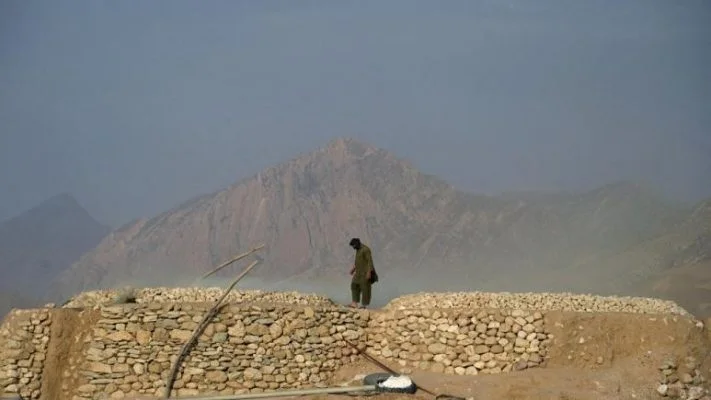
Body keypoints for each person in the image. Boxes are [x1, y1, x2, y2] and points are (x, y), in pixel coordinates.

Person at [348, 237, 377, 309]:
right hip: (358, 272)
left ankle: (364, 305)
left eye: (354, 245)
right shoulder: (358, 250)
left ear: (357, 244)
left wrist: (369, 272)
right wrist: (353, 269)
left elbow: (369, 261)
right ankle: (354, 303)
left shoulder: (366, 249)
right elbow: (357, 261)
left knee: (365, 288)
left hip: (365, 272)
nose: (353, 247)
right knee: (354, 285)